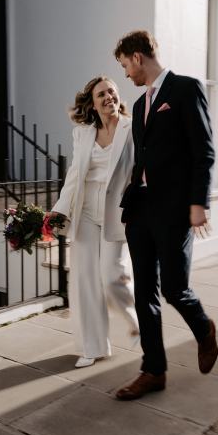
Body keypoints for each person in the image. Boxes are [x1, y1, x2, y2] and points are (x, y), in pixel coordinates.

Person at [113, 30, 218, 400]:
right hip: (141, 209)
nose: (126, 74)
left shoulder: (186, 90)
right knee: (145, 293)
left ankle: (204, 329)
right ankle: (153, 370)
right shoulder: (140, 106)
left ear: (137, 57)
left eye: (126, 65)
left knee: (175, 288)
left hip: (174, 209)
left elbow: (203, 150)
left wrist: (198, 203)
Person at [49, 76, 139, 368]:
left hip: (117, 213)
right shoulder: (83, 134)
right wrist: (59, 210)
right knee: (85, 281)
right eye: (101, 94)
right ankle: (93, 347)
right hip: (86, 213)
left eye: (112, 91)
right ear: (92, 102)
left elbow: (141, 170)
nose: (108, 97)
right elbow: (75, 175)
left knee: (112, 275)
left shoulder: (132, 127)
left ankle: (137, 323)